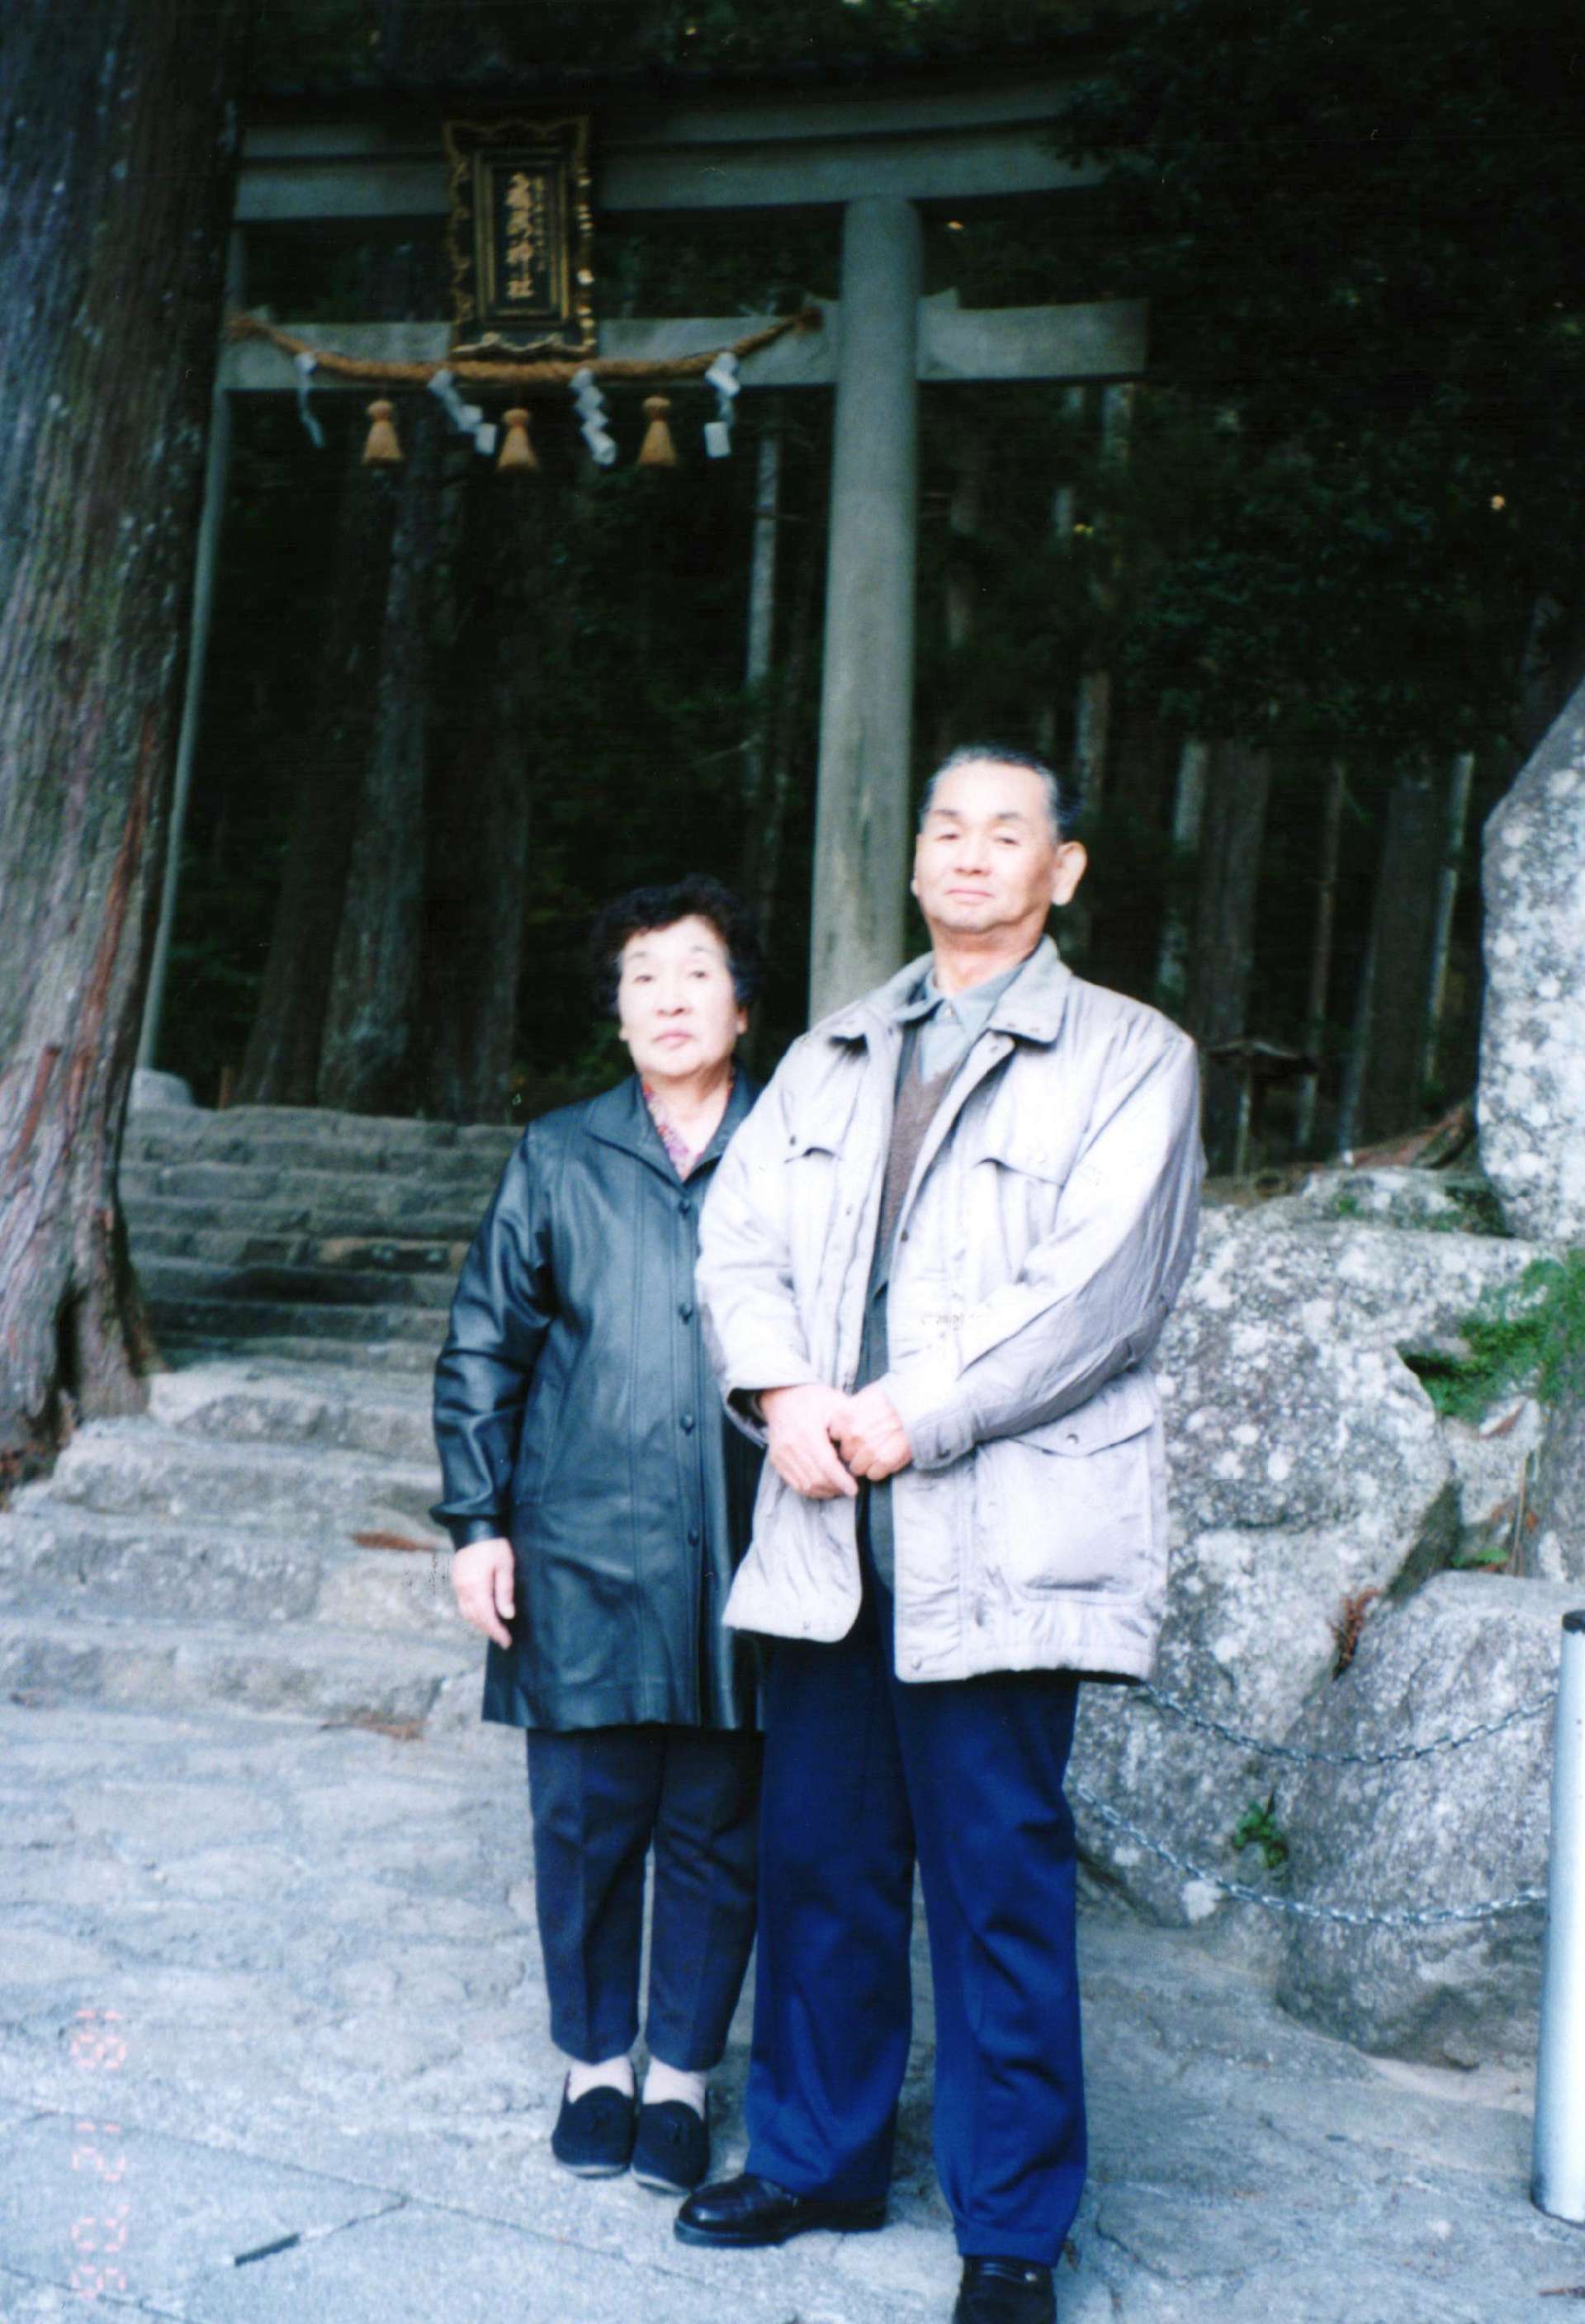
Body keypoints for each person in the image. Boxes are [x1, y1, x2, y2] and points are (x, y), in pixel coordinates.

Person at [683, 748, 1203, 2324]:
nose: (972, 856)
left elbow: (1100, 1291)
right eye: (948, 831)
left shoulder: (1133, 1055)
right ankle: (817, 2159)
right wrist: (780, 1392)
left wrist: (916, 1413)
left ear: (1064, 870)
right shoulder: (836, 1050)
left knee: (998, 1890)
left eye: (1007, 833)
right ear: (917, 861)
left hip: (998, 1538)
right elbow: (740, 1239)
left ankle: (1013, 2230)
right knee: (823, 1868)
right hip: (830, 1533)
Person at [432, 875, 765, 2199]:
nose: (670, 999)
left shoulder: (796, 1150)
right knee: (584, 1823)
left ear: (743, 1005)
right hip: (578, 1547)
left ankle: (679, 2076)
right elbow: (484, 1346)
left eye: (697, 972)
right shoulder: (558, 1155)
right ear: (618, 1014)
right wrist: (477, 1522)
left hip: (747, 1547)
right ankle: (594, 2067)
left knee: (718, 1826)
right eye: (643, 978)